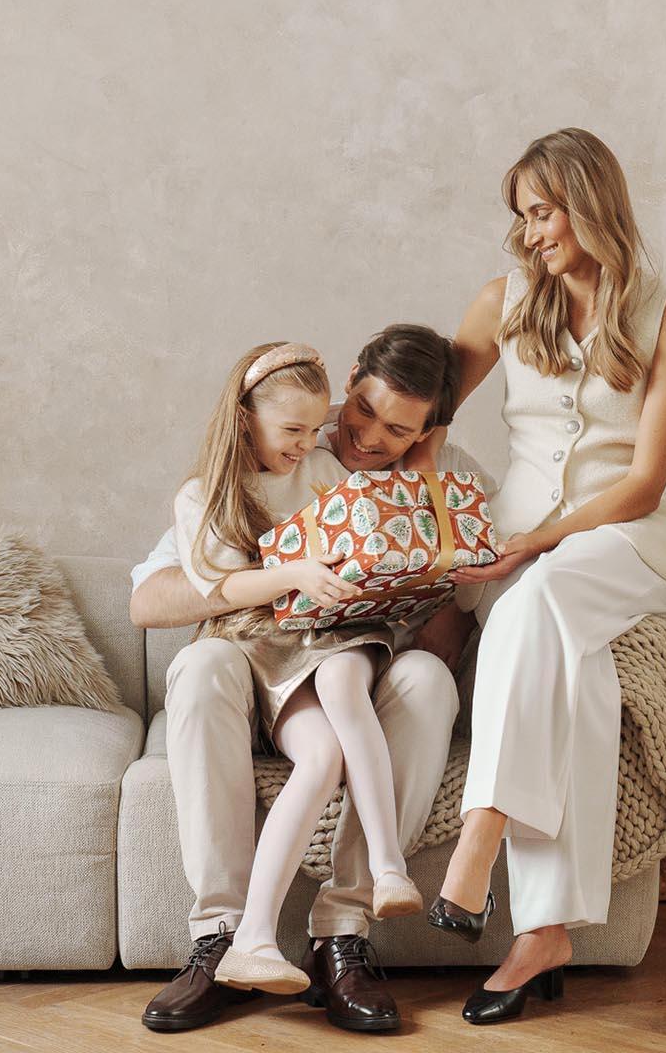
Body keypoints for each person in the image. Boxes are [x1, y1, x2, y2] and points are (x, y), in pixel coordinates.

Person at [421, 128, 666, 1025]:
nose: (531, 232)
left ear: (589, 202)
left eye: (543, 212)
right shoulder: (503, 303)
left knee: (539, 596)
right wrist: (430, 513)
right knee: (571, 669)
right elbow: (425, 416)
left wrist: (538, 542)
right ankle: (543, 933)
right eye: (523, 216)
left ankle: (481, 835)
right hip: (517, 542)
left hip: (627, 542)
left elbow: (644, 482)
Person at [138, 324, 482, 1034]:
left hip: (352, 660)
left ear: (427, 431)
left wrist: (437, 577)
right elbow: (150, 600)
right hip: (255, 664)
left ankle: (342, 932)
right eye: (362, 412)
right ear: (348, 385)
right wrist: (279, 580)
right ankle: (221, 936)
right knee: (200, 665)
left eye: (398, 430)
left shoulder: (440, 479)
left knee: (426, 681)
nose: (369, 438)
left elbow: (456, 609)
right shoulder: (291, 435)